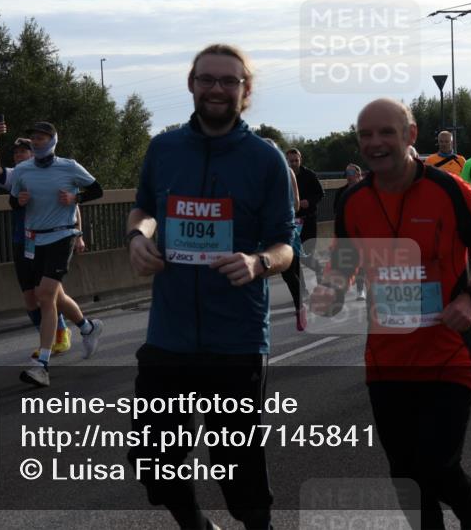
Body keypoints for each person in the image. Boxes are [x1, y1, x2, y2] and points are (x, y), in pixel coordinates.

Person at [311, 98, 471, 530]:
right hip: (386, 359)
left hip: (446, 349)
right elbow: (345, 259)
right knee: (404, 472)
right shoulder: (352, 200)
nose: (375, 143)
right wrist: (327, 293)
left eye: (386, 132)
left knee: (438, 463)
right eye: (366, 135)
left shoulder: (448, 189)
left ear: (411, 135)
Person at [125, 44, 295, 529]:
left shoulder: (266, 159)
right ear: (191, 84)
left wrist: (258, 261)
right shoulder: (164, 148)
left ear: (246, 90)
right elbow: (143, 208)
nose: (217, 89)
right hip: (168, 335)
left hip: (236, 339)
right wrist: (138, 236)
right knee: (154, 461)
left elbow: (286, 244)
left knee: (239, 471)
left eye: (229, 81)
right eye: (208, 79)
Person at [9, 121, 105, 387]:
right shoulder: (22, 170)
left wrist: (76, 200)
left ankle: (42, 365)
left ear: (52, 140)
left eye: (41, 138)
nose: (37, 142)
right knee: (56, 295)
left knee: (45, 296)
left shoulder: (69, 166)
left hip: (62, 235)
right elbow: (13, 200)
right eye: (34, 138)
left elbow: (97, 190)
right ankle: (88, 327)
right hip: (34, 240)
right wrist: (20, 202)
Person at [0, 120, 79, 357]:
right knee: (31, 298)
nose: (19, 156)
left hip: (50, 238)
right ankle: (73, 330)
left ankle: (59, 336)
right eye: (15, 152)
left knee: (48, 295)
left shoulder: (56, 170)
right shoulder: (18, 174)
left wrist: (79, 235)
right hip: (23, 241)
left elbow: (72, 204)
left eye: (23, 151)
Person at [264, 138, 307, 330]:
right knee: (267, 271)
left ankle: (300, 308)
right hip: (274, 227)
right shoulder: (265, 173)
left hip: (279, 227)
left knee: (288, 273)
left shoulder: (284, 172)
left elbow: (296, 204)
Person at [287, 148, 325, 292]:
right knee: (294, 258)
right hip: (293, 222)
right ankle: (302, 289)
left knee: (306, 256)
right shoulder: (284, 176)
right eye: (291, 161)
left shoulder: (309, 175)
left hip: (308, 221)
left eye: (296, 160)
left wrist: (309, 201)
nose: (294, 163)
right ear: (287, 161)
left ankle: (320, 270)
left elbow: (321, 193)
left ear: (300, 159)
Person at [336, 163, 367, 301]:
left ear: (359, 175)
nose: (349, 177)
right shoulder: (341, 192)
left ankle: (361, 289)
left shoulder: (366, 190)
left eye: (351, 174)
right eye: (347, 174)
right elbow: (336, 212)